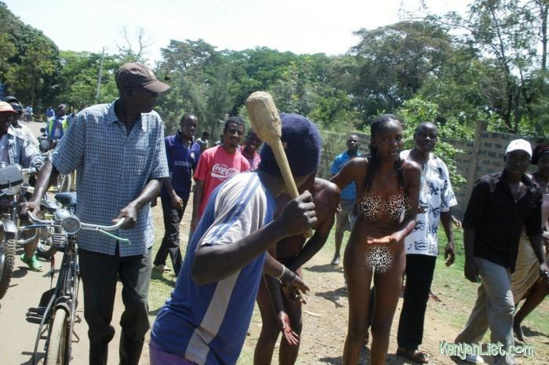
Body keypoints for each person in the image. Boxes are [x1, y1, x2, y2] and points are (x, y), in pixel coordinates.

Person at [21, 62, 170, 365]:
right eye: (149, 93)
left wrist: (135, 205)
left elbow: (158, 177)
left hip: (136, 237)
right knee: (97, 320)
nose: (155, 99)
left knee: (138, 308)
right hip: (95, 239)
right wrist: (35, 198)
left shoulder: (154, 123)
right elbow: (56, 162)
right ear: (128, 93)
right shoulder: (89, 120)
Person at [150, 113, 322, 365]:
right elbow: (203, 266)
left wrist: (285, 274)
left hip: (200, 349)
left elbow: (247, 249)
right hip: (192, 347)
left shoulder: (253, 187)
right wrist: (280, 228)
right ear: (309, 172)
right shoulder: (251, 196)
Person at [330, 114, 420, 365]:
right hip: (362, 246)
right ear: (374, 141)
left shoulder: (410, 171)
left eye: (398, 138)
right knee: (357, 328)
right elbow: (330, 188)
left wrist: (396, 236)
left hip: (392, 250)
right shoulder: (359, 166)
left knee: (382, 329)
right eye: (386, 139)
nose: (394, 144)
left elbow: (411, 216)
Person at [454, 139, 549, 365]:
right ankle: (503, 360)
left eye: (523, 158)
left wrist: (542, 261)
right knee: (506, 305)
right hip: (485, 254)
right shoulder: (487, 185)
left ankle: (461, 348)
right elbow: (470, 224)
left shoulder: (532, 191)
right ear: (505, 158)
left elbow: (535, 230)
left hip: (508, 258)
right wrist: (469, 260)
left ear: (529, 162)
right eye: (513, 157)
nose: (518, 162)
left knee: (487, 304)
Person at [254, 175, 339, 365]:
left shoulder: (328, 194)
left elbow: (320, 237)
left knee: (295, 325)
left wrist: (291, 273)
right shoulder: (276, 194)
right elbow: (269, 256)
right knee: (273, 324)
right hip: (264, 262)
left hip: (292, 262)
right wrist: (279, 306)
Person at [396, 122, 457, 364]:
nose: (428, 139)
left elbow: (445, 206)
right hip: (395, 238)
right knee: (381, 288)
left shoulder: (440, 167)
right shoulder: (397, 160)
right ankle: (364, 333)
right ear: (414, 136)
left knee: (417, 296)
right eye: (424, 134)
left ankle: (407, 346)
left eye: (433, 135)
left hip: (426, 245)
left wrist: (450, 239)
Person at [153, 113, 201, 276]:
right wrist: (172, 194)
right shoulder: (169, 142)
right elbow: (163, 169)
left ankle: (159, 261)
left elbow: (197, 173)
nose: (192, 128)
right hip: (169, 194)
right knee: (174, 233)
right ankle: (180, 272)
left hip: (185, 195)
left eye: (194, 125)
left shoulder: (195, 147)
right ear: (181, 125)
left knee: (170, 231)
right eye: (188, 124)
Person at [511, 143, 549, 342]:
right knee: (518, 283)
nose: (548, 165)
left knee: (544, 285)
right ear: (537, 162)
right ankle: (505, 323)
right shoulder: (529, 181)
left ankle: (517, 321)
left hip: (544, 242)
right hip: (526, 239)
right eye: (544, 161)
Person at [0, 101, 44, 271]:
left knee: (33, 213)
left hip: (15, 187)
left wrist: (38, 164)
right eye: (4, 115)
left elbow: (32, 155)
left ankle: (30, 254)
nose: (9, 118)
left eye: (10, 115)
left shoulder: (19, 138)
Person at [190, 116, 250, 232]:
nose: (235, 135)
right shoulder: (208, 155)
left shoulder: (244, 164)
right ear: (224, 133)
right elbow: (199, 187)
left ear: (242, 137)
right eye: (232, 131)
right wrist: (194, 217)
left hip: (226, 221)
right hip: (204, 217)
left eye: (239, 133)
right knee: (194, 250)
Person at [330, 133, 361, 265]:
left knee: (356, 231)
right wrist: (335, 199)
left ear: (359, 144)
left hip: (357, 201)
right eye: (350, 141)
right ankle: (337, 254)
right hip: (342, 199)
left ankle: (352, 258)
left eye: (355, 141)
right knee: (340, 228)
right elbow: (333, 181)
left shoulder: (362, 160)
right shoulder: (339, 159)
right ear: (346, 143)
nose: (352, 143)